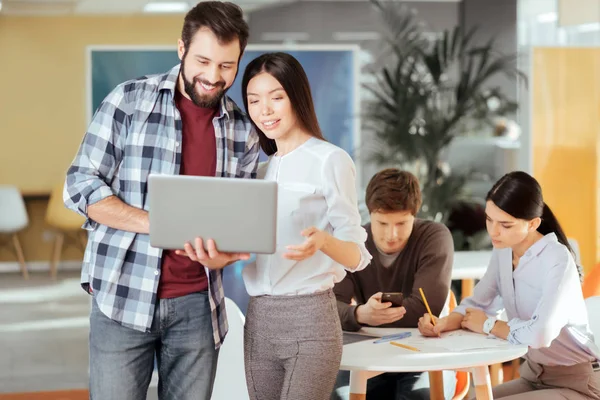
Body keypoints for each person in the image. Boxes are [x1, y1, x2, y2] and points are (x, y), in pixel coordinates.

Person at [63, 3, 259, 399]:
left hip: (197, 306)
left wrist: (227, 255)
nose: (212, 76)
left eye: (226, 66)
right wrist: (157, 221)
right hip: (122, 293)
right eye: (203, 60)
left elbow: (243, 219)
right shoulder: (130, 101)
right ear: (181, 49)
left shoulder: (243, 130)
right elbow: (80, 185)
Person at [180, 52, 372, 400]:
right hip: (260, 319)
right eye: (254, 100)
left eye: (276, 98)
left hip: (310, 319)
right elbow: (245, 248)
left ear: (297, 97)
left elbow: (358, 255)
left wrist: (323, 242)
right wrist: (218, 259)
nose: (264, 110)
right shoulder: (258, 170)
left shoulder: (330, 160)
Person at [418, 171, 600, 400]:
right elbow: (478, 304)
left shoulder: (557, 259)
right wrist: (442, 323)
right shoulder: (503, 250)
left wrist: (488, 326)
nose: (493, 231)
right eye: (489, 219)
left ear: (533, 223)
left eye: (505, 224)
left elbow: (541, 334)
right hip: (535, 376)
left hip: (579, 383)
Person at [332, 168, 456, 400]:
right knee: (336, 395)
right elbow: (329, 311)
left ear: (414, 215)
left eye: (401, 223)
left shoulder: (435, 237)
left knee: (418, 397)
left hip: (423, 356)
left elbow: (423, 309)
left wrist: (357, 315)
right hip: (367, 356)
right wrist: (360, 314)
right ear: (369, 215)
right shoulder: (353, 244)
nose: (392, 234)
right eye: (382, 223)